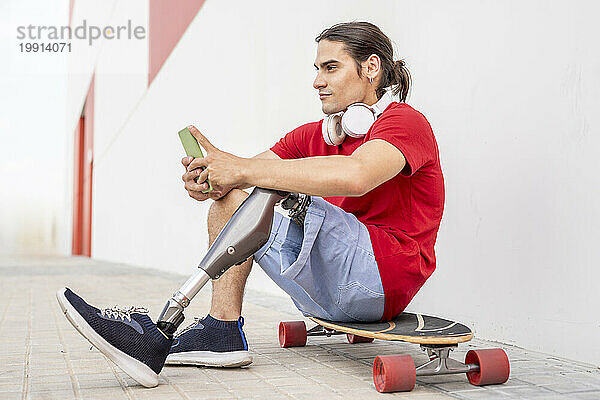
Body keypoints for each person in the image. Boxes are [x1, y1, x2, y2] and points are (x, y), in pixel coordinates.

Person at [57, 21, 445, 388]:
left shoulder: (404, 122)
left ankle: (164, 323)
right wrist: (211, 180)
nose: (317, 81)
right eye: (316, 69)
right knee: (234, 199)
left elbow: (357, 176)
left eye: (331, 67)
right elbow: (246, 179)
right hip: (328, 293)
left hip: (383, 278)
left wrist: (241, 170)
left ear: (371, 68)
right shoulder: (313, 136)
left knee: (257, 184)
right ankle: (221, 330)